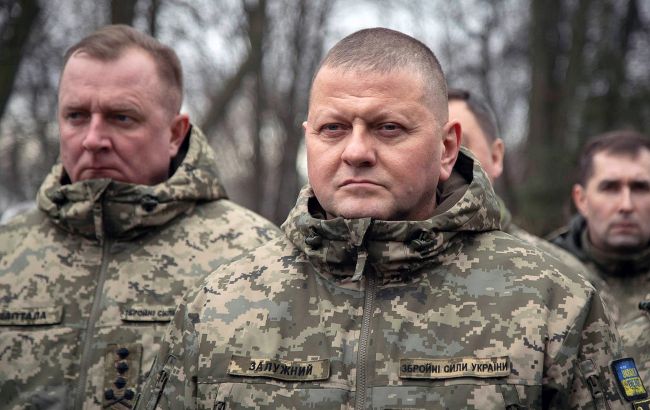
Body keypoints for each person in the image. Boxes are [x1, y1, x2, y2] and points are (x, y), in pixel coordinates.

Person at [136, 28, 637, 409]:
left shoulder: (553, 303)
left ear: (447, 148)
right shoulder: (218, 304)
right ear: (309, 137)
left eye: (389, 128)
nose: (356, 151)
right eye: (333, 128)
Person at [0, 25, 280, 409]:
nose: (93, 139)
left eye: (121, 117)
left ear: (175, 134)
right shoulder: (8, 253)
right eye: (76, 116)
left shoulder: (256, 260)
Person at [448, 89, 587, 272]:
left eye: (457, 145)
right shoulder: (407, 261)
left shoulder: (557, 272)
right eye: (434, 148)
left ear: (496, 157)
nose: (443, 160)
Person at [550, 130, 650, 325]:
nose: (626, 205)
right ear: (582, 200)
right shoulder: (543, 273)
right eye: (610, 188)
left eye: (640, 188)